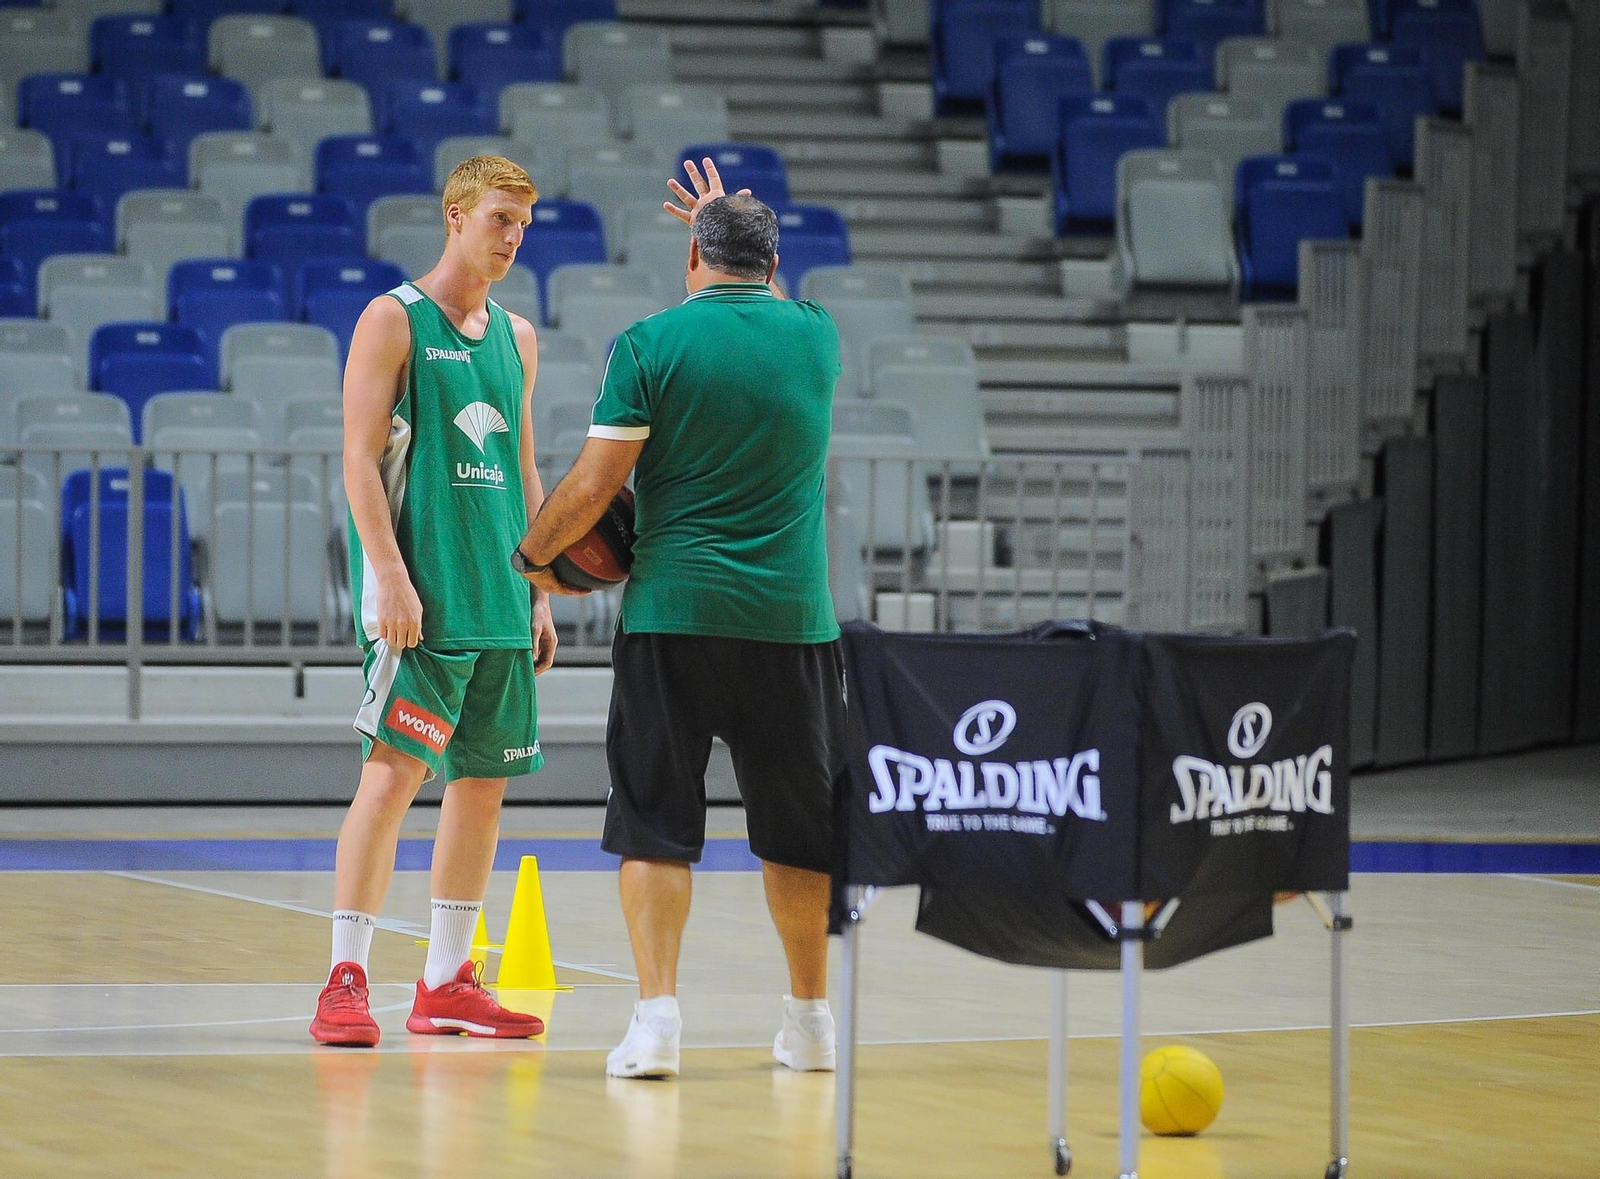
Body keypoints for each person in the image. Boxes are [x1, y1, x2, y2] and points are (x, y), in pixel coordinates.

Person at [512, 158, 845, 1079]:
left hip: (672, 618)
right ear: (771, 260)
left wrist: (534, 560)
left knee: (654, 821)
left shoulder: (649, 343)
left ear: (691, 257)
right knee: (799, 829)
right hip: (795, 624)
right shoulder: (817, 336)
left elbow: (593, 486)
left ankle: (656, 1020)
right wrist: (730, 223)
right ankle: (812, 1022)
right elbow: (759, 282)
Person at [309, 155, 560, 1047]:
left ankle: (446, 979)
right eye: (499, 218)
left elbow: (524, 468)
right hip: (424, 597)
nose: (512, 236)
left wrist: (540, 586)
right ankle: (345, 978)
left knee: (482, 785)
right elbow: (356, 458)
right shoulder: (393, 319)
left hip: (499, 596)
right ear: (456, 215)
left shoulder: (518, 337)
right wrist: (389, 573)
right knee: (391, 779)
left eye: (523, 224)